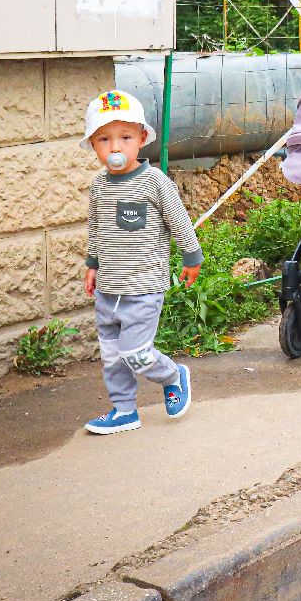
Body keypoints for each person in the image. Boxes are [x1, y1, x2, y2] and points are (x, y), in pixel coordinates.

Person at [80, 90, 202, 435]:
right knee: (111, 355)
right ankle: (123, 410)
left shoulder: (153, 182)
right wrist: (93, 263)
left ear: (142, 139)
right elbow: (97, 226)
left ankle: (173, 375)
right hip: (108, 288)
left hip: (143, 286)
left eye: (125, 137)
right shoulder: (99, 185)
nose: (115, 148)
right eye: (104, 139)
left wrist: (191, 255)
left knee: (135, 351)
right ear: (93, 144)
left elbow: (178, 219)